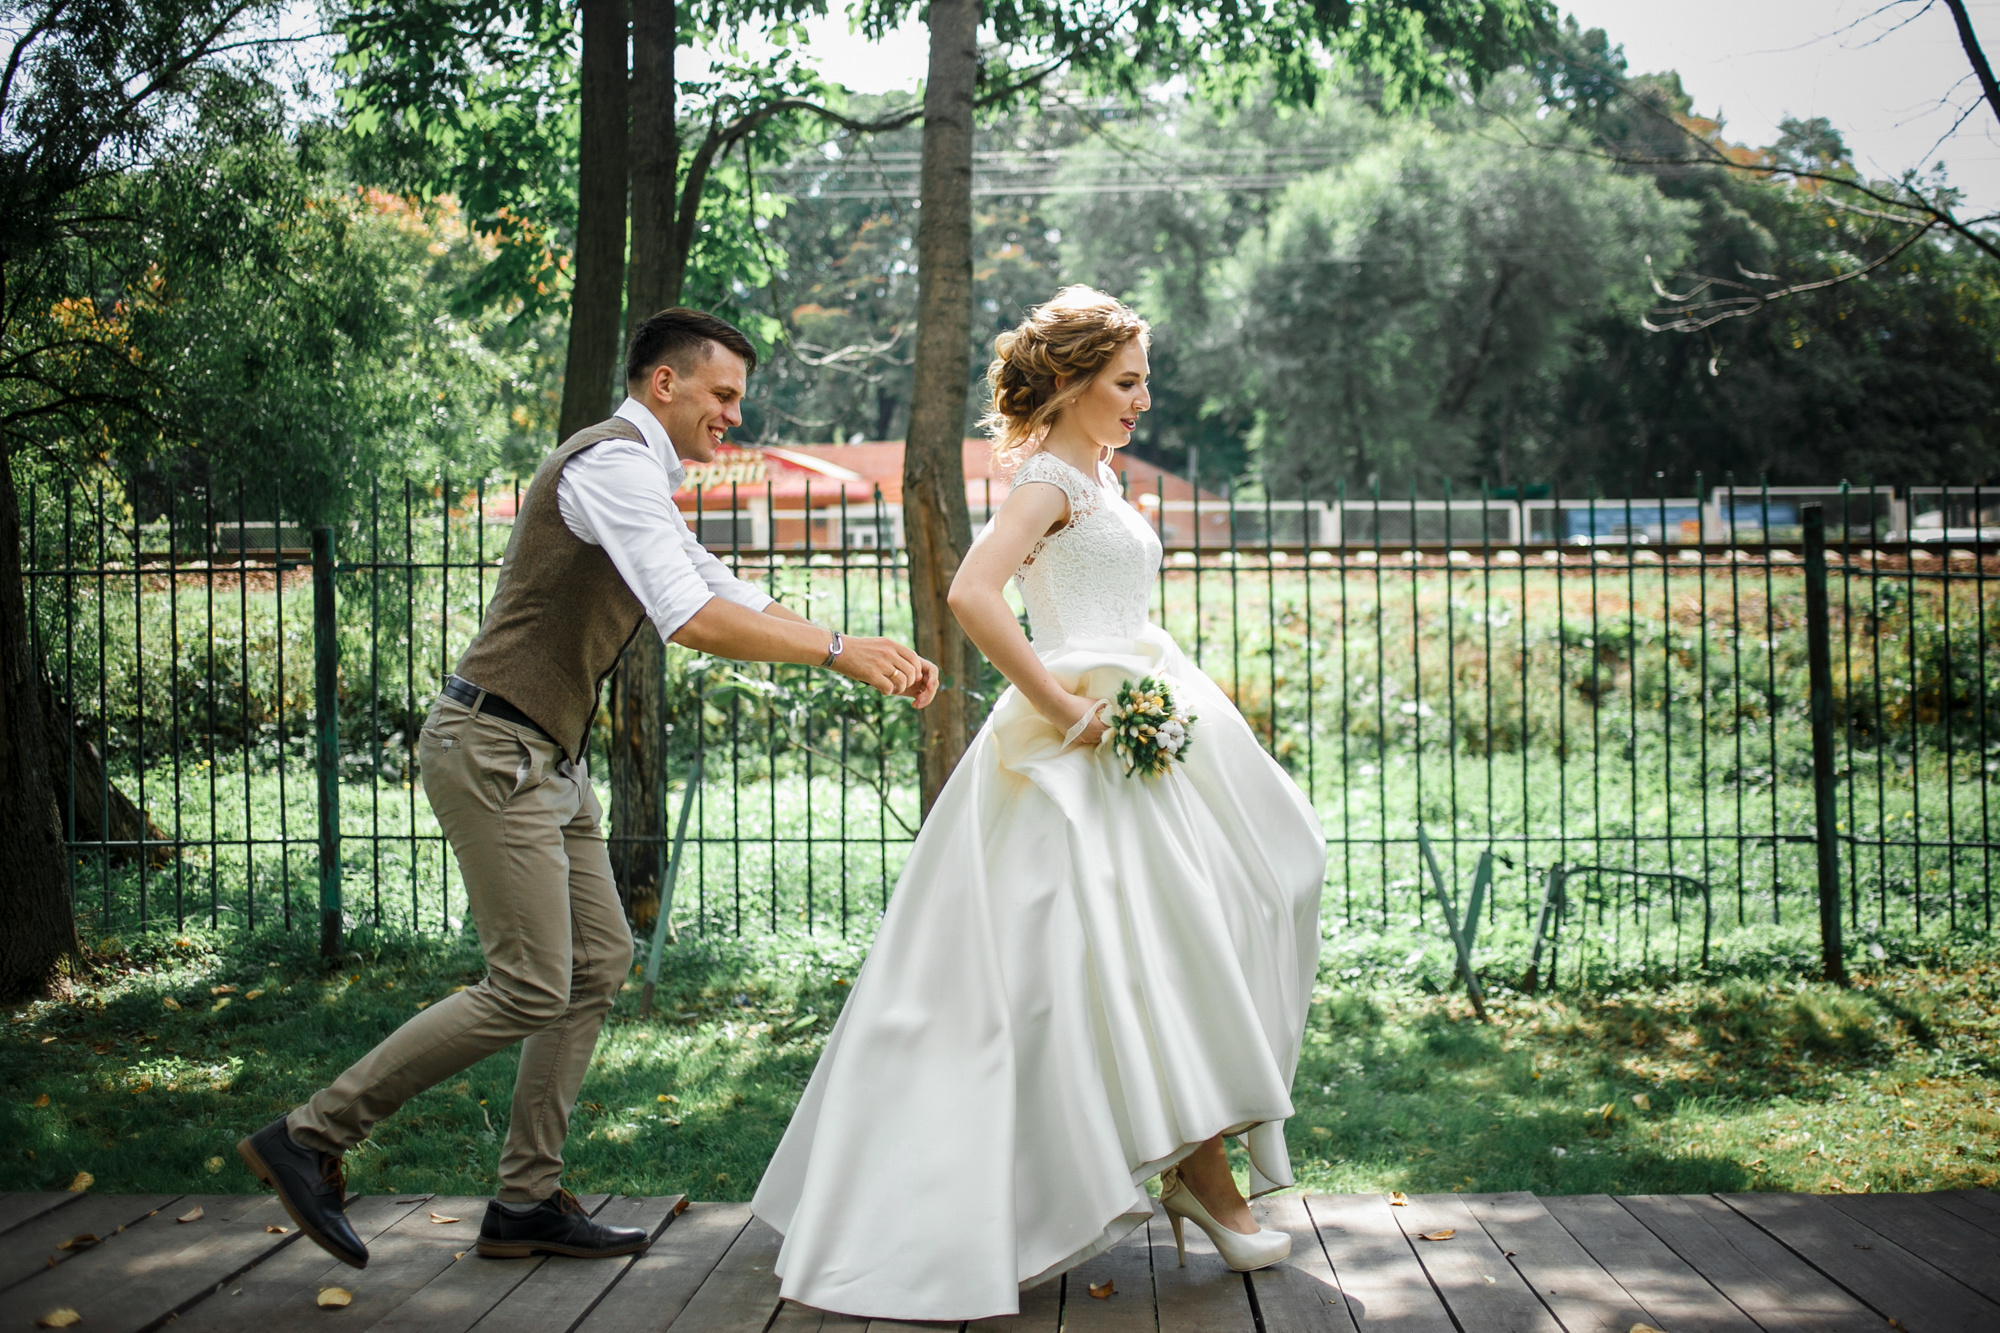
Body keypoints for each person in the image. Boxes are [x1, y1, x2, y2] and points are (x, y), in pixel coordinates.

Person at [237, 308, 938, 1270]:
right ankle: (313, 1133)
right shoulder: (609, 464)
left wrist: (859, 650)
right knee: (529, 980)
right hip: (493, 748)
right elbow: (689, 615)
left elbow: (719, 582)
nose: (733, 413)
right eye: (722, 394)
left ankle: (525, 1202)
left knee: (598, 960)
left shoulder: (643, 480)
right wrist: (834, 649)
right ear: (665, 383)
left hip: (547, 763)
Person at [751, 286, 1325, 1320]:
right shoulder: (1046, 479)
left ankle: (1189, 1165)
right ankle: (1195, 1178)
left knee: (1247, 892)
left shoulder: (1096, 477)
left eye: (1142, 380)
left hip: (1140, 731)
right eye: (1125, 381)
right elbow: (974, 592)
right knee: (1090, 962)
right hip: (1074, 749)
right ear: (1068, 384)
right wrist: (1061, 704)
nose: (1142, 400)